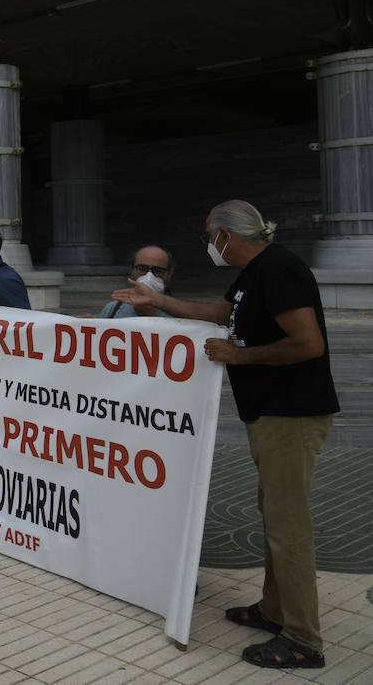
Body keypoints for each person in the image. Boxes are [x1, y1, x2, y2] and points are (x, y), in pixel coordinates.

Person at [112, 200, 338, 671]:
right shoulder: (256, 273)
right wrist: (158, 302)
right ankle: (275, 611)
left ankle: (302, 640)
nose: (208, 245)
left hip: (290, 415)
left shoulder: (278, 270)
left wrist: (241, 356)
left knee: (287, 527)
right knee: (275, 516)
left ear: (226, 236)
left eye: (208, 236)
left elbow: (308, 342)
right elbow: (221, 311)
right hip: (273, 414)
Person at [99, 246, 174, 318]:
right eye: (142, 269)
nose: (149, 277)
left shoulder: (179, 313)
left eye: (158, 271)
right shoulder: (113, 309)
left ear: (170, 273)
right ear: (132, 271)